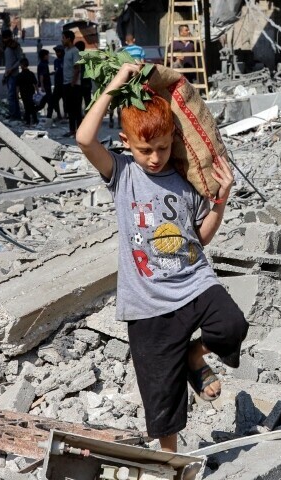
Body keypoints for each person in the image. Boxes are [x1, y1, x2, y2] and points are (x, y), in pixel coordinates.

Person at [76, 62, 248, 453]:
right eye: (145, 150)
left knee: (231, 326)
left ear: (174, 139)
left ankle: (194, 355)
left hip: (194, 282)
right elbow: (85, 139)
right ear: (126, 142)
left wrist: (220, 201)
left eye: (164, 147)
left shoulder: (185, 181)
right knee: (163, 401)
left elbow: (200, 238)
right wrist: (119, 80)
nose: (155, 158)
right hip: (147, 303)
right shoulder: (122, 174)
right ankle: (170, 464)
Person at [62, 30, 82, 136]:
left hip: (73, 85)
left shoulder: (75, 51)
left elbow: (77, 69)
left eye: (63, 38)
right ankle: (72, 130)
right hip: (67, 83)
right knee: (69, 109)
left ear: (68, 39)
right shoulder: (66, 50)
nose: (62, 40)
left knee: (76, 109)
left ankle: (79, 131)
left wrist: (73, 83)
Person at [1, 30, 24, 120]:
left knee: (12, 96)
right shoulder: (6, 46)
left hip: (14, 75)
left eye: (6, 38)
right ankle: (14, 114)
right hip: (8, 75)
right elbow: (7, 64)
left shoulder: (15, 46)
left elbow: (20, 59)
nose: (4, 40)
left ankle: (14, 115)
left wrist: (12, 69)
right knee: (12, 96)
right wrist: (5, 75)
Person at [16, 58, 38, 126]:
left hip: (24, 93)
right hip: (31, 93)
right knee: (32, 106)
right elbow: (35, 84)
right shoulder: (31, 74)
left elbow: (17, 87)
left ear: (22, 65)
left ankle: (28, 121)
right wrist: (37, 92)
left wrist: (17, 95)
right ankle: (35, 120)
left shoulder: (19, 75)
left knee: (26, 107)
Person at [36, 49, 57, 119]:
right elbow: (41, 76)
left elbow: (44, 74)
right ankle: (48, 117)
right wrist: (42, 86)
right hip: (45, 87)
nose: (48, 56)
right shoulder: (43, 65)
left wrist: (50, 74)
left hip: (46, 86)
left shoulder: (43, 64)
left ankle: (32, 113)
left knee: (43, 104)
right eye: (47, 55)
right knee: (49, 103)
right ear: (44, 56)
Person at [75, 41, 93, 112]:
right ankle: (89, 115)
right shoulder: (88, 56)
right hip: (87, 81)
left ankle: (79, 116)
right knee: (87, 100)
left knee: (78, 101)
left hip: (80, 82)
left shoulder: (77, 57)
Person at [51, 45, 65, 120]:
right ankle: (58, 114)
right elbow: (56, 70)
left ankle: (66, 115)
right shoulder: (56, 61)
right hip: (57, 83)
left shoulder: (65, 60)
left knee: (66, 100)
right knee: (54, 100)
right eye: (56, 52)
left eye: (58, 52)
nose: (57, 53)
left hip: (64, 83)